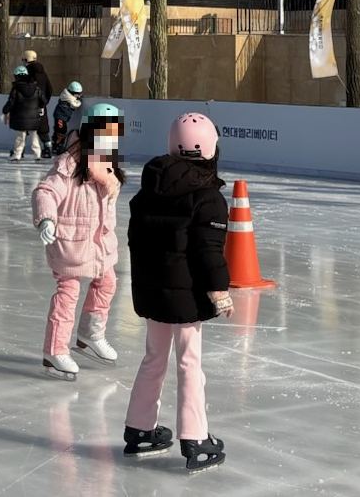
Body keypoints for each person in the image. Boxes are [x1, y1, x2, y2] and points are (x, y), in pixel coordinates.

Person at [123, 111, 232, 472]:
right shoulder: (208, 198)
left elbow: (136, 241)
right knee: (189, 363)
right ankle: (195, 438)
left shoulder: (150, 188)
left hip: (152, 293)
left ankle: (140, 430)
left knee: (154, 358)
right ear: (211, 148)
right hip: (186, 297)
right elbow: (208, 253)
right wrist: (219, 292)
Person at [32, 101, 126, 381]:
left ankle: (89, 335)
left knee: (107, 283)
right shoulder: (69, 166)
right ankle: (55, 350)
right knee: (68, 295)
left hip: (99, 247)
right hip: (71, 245)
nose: (109, 141)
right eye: (104, 135)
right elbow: (44, 192)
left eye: (113, 136)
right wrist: (46, 219)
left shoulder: (105, 166)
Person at [3, 65, 48, 162]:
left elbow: (11, 102)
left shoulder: (16, 89)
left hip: (20, 117)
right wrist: (39, 107)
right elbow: (43, 100)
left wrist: (5, 111)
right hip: (34, 117)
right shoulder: (36, 88)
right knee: (34, 136)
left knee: (20, 137)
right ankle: (37, 154)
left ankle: (17, 154)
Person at [47, 81, 84, 159]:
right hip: (60, 117)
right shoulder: (68, 97)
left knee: (59, 131)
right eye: (77, 94)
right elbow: (75, 104)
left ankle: (56, 144)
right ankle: (58, 145)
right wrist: (79, 100)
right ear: (72, 93)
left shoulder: (67, 94)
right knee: (61, 131)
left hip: (61, 116)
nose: (78, 95)